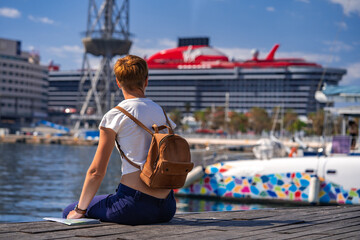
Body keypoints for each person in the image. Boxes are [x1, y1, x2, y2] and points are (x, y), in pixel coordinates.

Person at [63, 55, 176, 225]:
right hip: (167, 207)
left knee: (68, 211)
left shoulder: (115, 115)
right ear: (146, 81)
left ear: (118, 82)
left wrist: (80, 210)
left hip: (133, 206)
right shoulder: (161, 112)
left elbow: (96, 172)